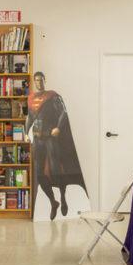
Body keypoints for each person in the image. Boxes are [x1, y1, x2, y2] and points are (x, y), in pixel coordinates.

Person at [26, 71, 87, 220]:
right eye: (36, 80)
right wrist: (26, 132)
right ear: (34, 82)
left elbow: (63, 112)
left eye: (41, 80)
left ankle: (63, 197)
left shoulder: (53, 96)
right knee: (39, 174)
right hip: (37, 138)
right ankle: (54, 202)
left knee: (55, 170)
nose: (39, 83)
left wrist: (58, 127)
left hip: (50, 137)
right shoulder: (31, 98)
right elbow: (29, 117)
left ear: (44, 80)